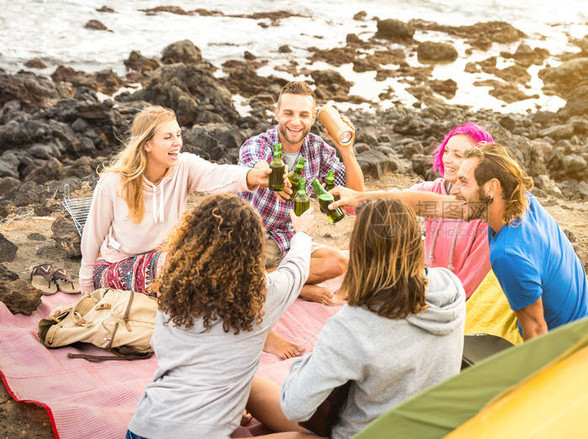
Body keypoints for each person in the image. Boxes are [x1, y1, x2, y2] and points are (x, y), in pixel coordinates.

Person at [79, 105, 303, 359]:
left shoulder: (183, 166)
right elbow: (92, 234)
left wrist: (255, 176)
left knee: (216, 261)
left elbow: (219, 175)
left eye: (178, 135)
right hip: (114, 269)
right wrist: (87, 290)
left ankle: (255, 323)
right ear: (147, 144)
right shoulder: (114, 182)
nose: (177, 143)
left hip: (165, 262)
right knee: (182, 267)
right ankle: (258, 331)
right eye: (167, 137)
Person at [246, 198, 466, 439]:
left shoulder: (354, 324)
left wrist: (312, 360)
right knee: (247, 384)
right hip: (432, 431)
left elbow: (294, 406)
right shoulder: (450, 287)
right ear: (416, 243)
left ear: (359, 251)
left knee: (246, 389)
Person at [332, 144, 588, 341]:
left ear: (491, 187)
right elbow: (428, 205)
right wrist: (361, 197)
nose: (454, 189)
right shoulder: (520, 201)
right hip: (587, 315)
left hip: (567, 343)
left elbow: (537, 333)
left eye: (463, 181)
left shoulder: (508, 254)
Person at [127, 193, 316, 439]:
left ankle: (234, 410)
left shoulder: (173, 291)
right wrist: (301, 233)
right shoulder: (263, 295)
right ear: (252, 247)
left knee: (249, 383)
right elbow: (296, 268)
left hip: (143, 429)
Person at [239, 81, 364, 306]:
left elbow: (352, 199)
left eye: (303, 115)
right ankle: (294, 286)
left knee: (337, 262)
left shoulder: (318, 149)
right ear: (277, 113)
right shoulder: (258, 144)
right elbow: (256, 166)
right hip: (254, 239)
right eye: (288, 113)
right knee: (228, 274)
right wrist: (271, 178)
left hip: (292, 238)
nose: (296, 122)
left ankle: (272, 284)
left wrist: (346, 150)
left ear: (313, 117)